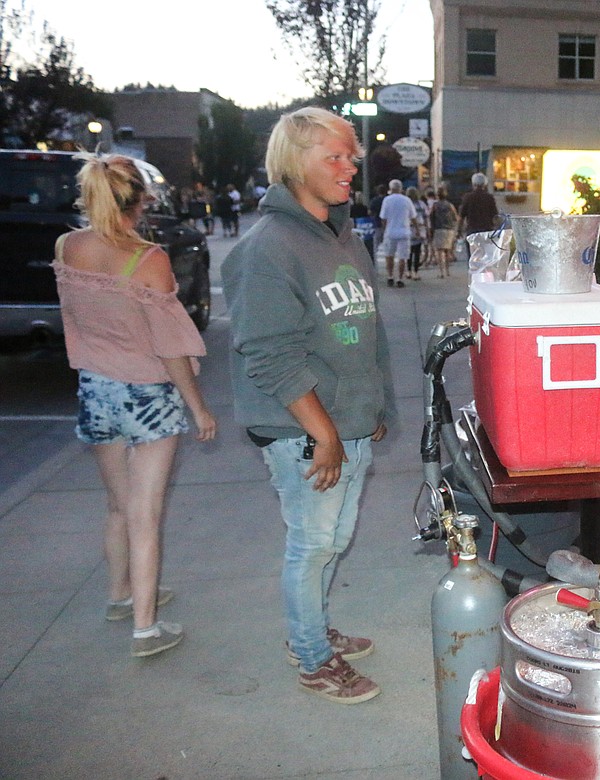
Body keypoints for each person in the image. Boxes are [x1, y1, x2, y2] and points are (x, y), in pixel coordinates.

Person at [222, 107, 395, 705]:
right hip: (304, 432)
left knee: (333, 540)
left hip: (346, 424)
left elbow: (365, 333)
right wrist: (324, 435)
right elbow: (269, 354)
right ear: (298, 163)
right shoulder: (267, 248)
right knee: (311, 545)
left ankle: (314, 629)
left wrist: (373, 410)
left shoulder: (340, 234)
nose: (351, 167)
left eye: (352, 156)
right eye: (336, 157)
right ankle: (312, 656)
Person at [52, 153, 217, 658]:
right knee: (146, 514)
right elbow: (168, 345)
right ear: (141, 201)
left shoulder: (67, 246)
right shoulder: (147, 259)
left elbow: (72, 320)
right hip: (146, 395)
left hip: (96, 390)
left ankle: (121, 596)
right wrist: (199, 408)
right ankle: (145, 629)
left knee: (118, 507)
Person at [378, 179, 414, 287]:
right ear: (401, 188)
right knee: (403, 257)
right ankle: (400, 278)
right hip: (404, 231)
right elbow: (413, 216)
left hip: (391, 231)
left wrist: (385, 229)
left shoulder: (387, 200)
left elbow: (383, 217)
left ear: (391, 188)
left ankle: (390, 276)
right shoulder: (407, 200)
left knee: (389, 255)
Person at [458, 171, 499, 237]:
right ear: (484, 184)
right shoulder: (489, 198)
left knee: (472, 247)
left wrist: (459, 231)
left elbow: (461, 216)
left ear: (473, 183)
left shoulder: (468, 197)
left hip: (472, 230)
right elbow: (495, 216)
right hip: (487, 230)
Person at [429, 186, 458, 279]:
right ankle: (448, 271)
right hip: (449, 229)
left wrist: (431, 229)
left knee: (440, 251)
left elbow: (431, 217)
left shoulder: (435, 205)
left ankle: (441, 272)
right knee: (447, 251)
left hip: (438, 229)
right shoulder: (450, 205)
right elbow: (455, 217)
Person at [405, 186, 426, 280]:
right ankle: (416, 272)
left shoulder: (406, 204)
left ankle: (408, 271)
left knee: (408, 252)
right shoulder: (421, 204)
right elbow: (426, 216)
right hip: (419, 228)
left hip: (408, 228)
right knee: (417, 251)